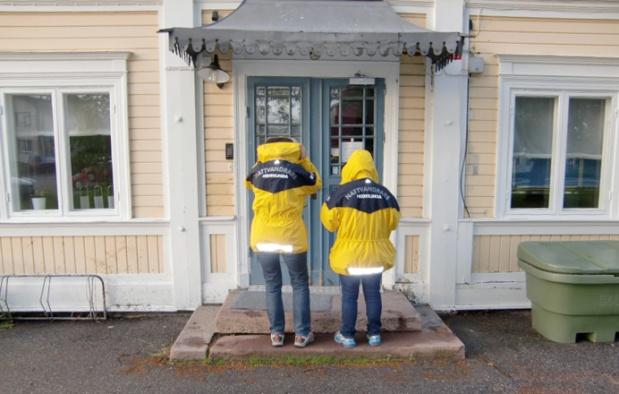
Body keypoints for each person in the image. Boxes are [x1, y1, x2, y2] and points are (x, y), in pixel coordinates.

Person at [245, 137, 322, 348]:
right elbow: (317, 182)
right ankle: (302, 334)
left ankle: (276, 334)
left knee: (272, 284)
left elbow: (247, 181)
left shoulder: (257, 171)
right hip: (290, 235)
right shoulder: (298, 172)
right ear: (293, 149)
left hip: (262, 235)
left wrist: (262, 160)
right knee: (299, 283)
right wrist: (304, 159)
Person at [320, 150, 400, 348]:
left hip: (350, 257)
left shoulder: (340, 193)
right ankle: (374, 334)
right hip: (375, 257)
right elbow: (393, 222)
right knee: (373, 295)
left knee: (349, 296)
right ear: (371, 168)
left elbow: (329, 222)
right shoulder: (386, 194)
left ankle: (347, 335)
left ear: (351, 168)